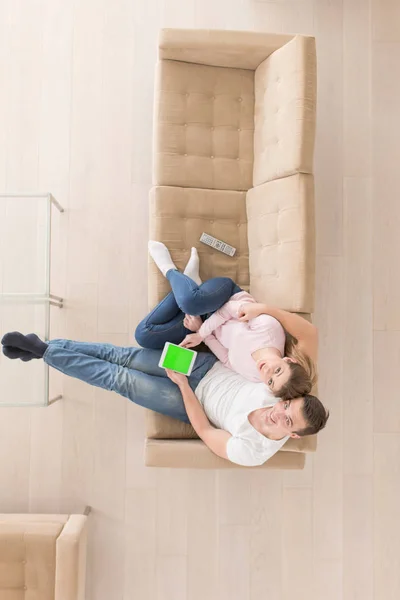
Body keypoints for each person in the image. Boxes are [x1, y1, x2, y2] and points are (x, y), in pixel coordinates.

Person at [1, 249, 329, 467]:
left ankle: (43, 351)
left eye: (287, 421)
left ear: (294, 435)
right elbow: (309, 336)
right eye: (285, 407)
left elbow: (205, 431)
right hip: (205, 366)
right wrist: (257, 312)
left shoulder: (254, 452)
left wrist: (184, 386)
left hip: (186, 398)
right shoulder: (286, 384)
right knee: (123, 355)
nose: (278, 412)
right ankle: (45, 347)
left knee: (121, 379)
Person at [144, 241, 317, 398]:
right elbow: (227, 311)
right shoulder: (270, 330)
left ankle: (190, 283)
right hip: (224, 297)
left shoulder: (255, 376)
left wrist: (201, 329)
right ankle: (168, 268)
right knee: (190, 303)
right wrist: (201, 334)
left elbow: (226, 359)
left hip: (205, 321)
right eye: (278, 370)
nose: (268, 372)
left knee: (145, 336)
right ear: (288, 360)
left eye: (270, 381)